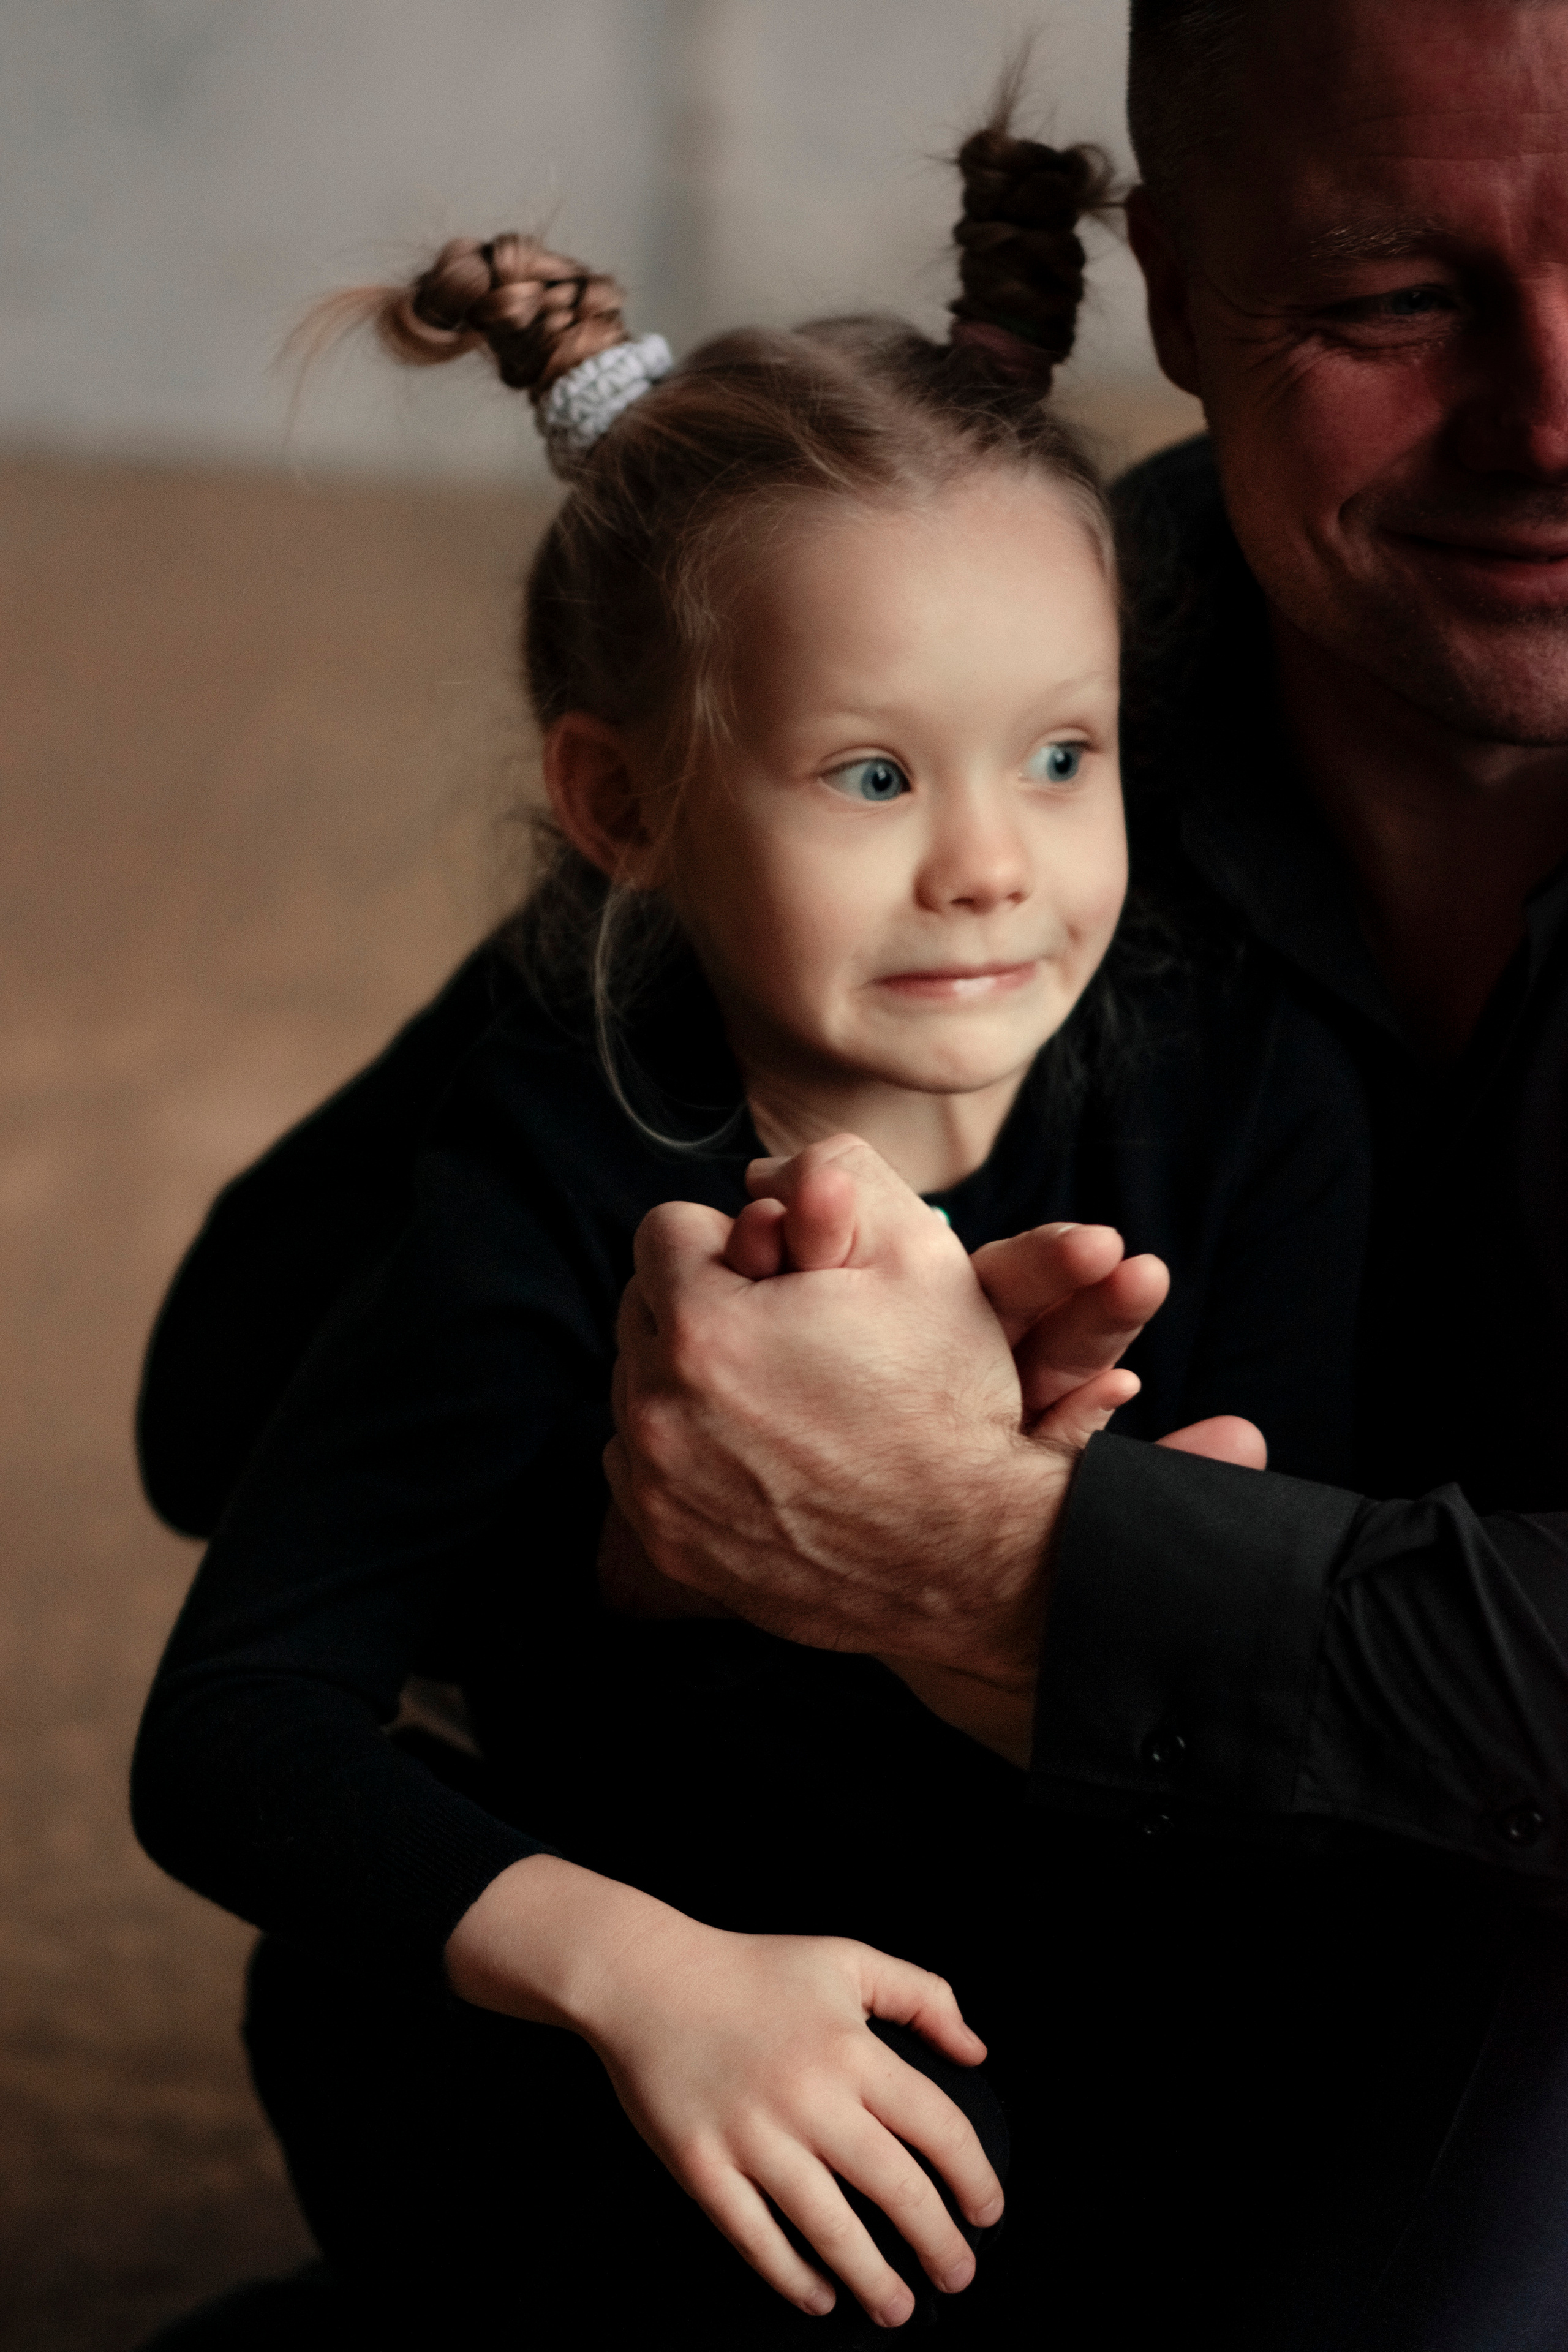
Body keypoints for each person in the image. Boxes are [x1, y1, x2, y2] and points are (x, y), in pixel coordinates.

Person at [130, 102, 1374, 2352]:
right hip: (633, 2024)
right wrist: (653, 1983)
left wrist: (1046, 1540)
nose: (993, 864)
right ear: (626, 802)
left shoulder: (1248, 1090)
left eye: (1062, 755)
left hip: (1048, 2004)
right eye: (875, 776)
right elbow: (234, 1731)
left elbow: (1289, 1698)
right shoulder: (552, 1162)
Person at [605, 0, 1568, 2342]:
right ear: (1172, 279)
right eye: (1391, 305)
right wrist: (660, 1465)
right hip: (1092, 1972)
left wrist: (1000, 1565)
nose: (1553, 422)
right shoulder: (960, 670)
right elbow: (246, 1397)